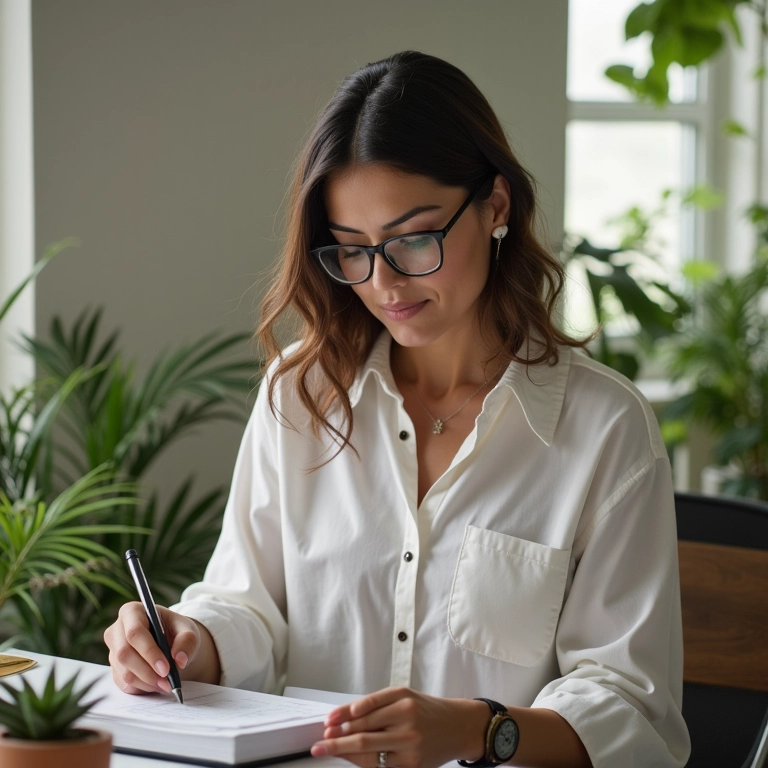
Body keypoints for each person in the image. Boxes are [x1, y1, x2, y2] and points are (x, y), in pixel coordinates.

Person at [104, 51, 691, 768]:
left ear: (496, 206)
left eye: (414, 239)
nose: (382, 282)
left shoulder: (604, 430)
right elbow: (248, 602)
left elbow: (630, 708)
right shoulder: (302, 394)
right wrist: (191, 638)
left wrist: (478, 730)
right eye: (352, 250)